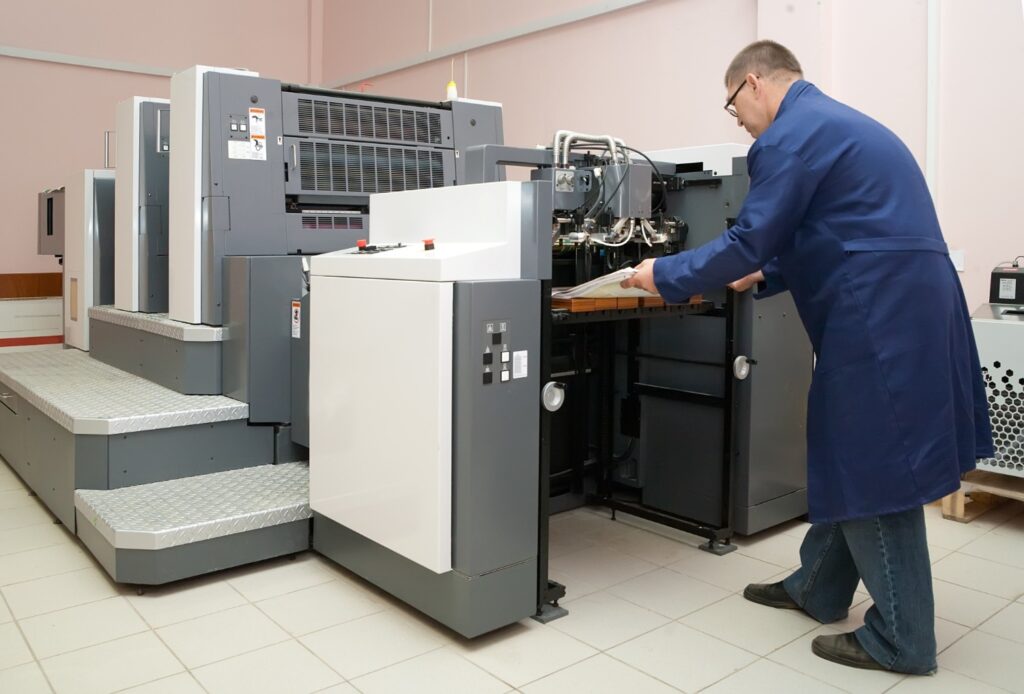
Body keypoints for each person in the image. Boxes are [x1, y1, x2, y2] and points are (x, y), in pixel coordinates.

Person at [621, 40, 993, 675]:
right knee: (856, 449)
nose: (738, 121)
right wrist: (764, 273)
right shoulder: (836, 123)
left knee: (872, 460)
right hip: (910, 300)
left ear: (754, 83)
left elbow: (749, 237)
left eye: (733, 105)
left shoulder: (787, 138)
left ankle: (903, 639)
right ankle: (818, 587)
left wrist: (666, 273)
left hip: (880, 310)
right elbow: (837, 230)